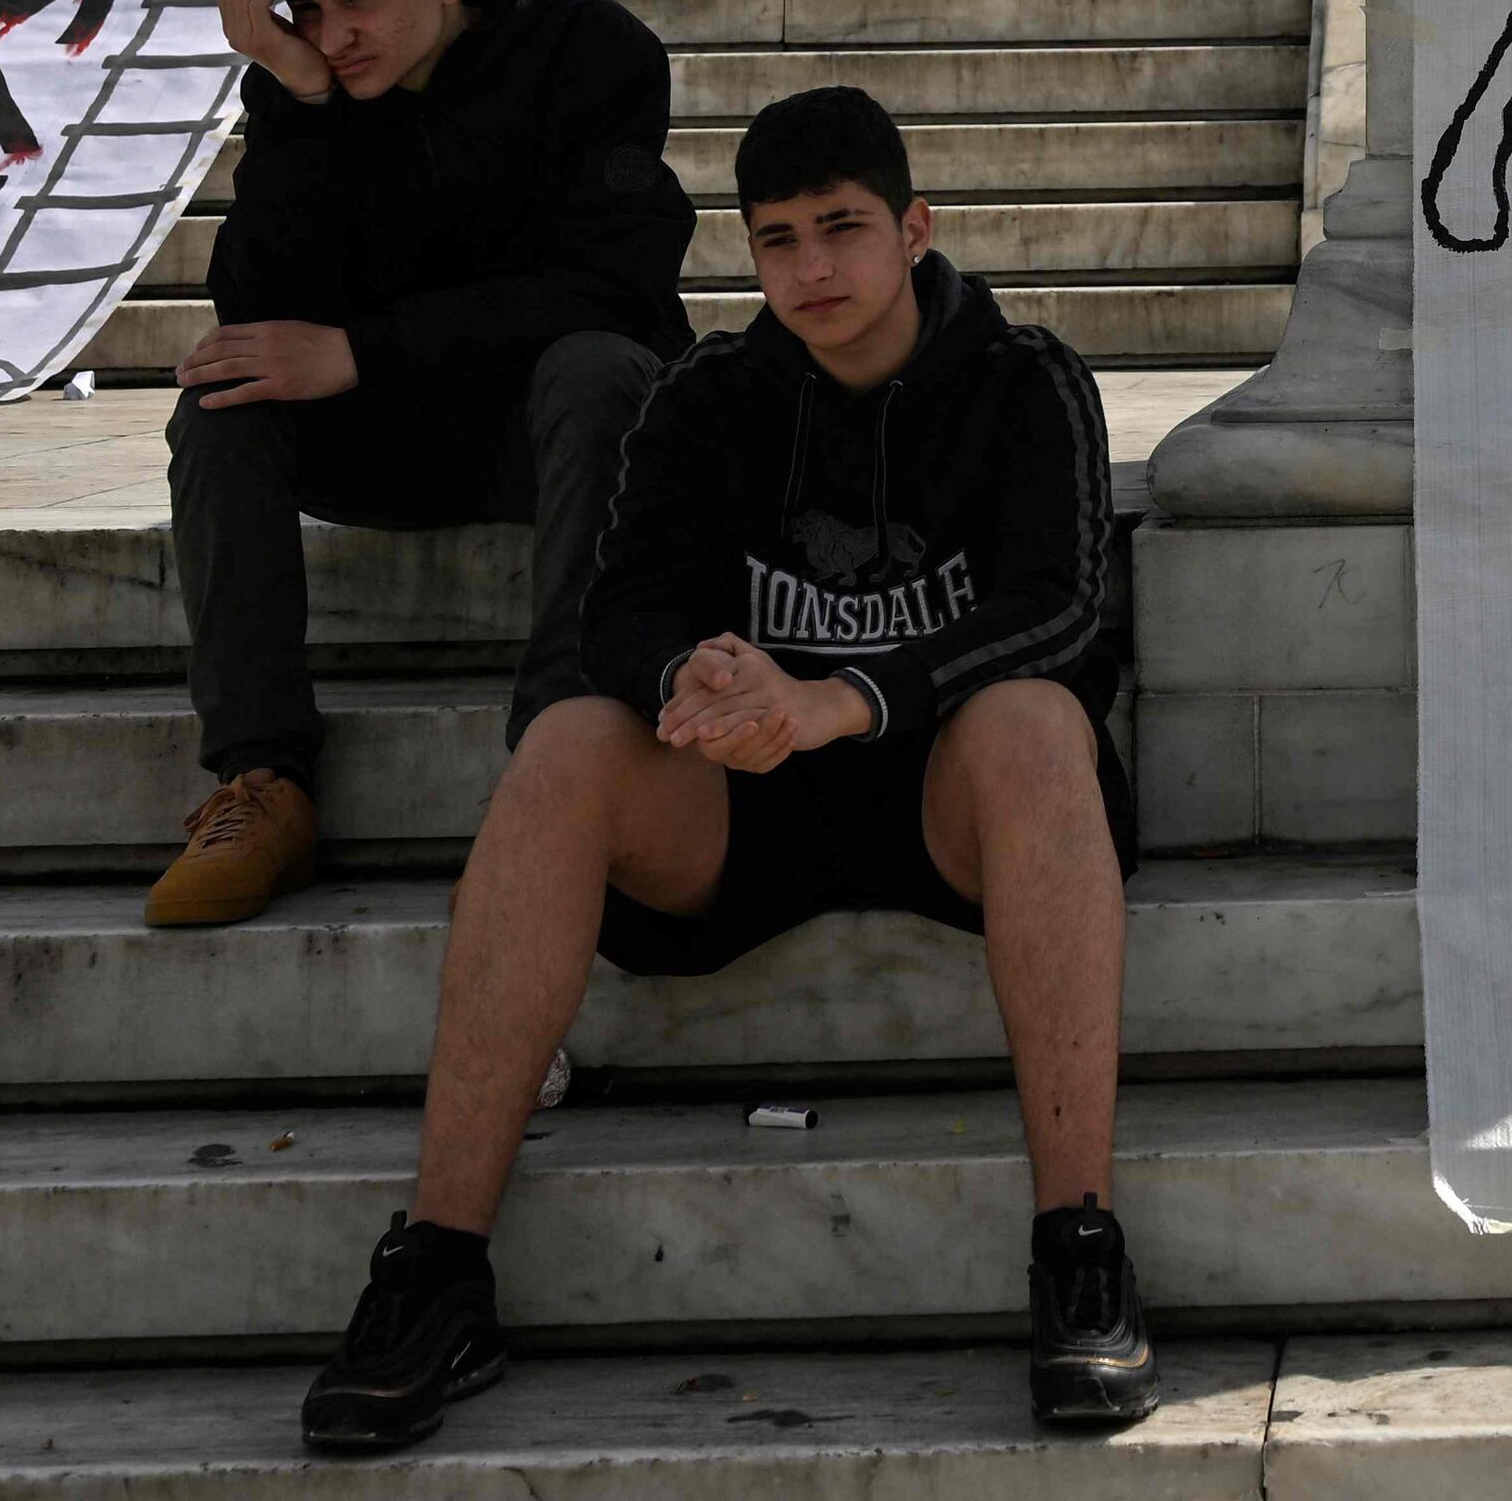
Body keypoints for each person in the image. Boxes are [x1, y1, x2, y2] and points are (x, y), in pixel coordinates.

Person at [295, 87, 1151, 1452]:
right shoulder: (711, 392)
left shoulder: (1025, 376)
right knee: (573, 737)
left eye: (842, 228)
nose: (810, 268)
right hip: (746, 806)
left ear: (916, 227)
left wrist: (841, 697)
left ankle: (1079, 1245)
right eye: (776, 239)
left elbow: (1059, 609)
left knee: (1040, 718)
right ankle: (437, 1266)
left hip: (954, 799)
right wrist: (692, 680)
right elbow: (617, 611)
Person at [151, 0, 695, 931]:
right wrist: (301, 100)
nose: (337, 32)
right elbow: (254, 303)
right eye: (306, 4)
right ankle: (263, 778)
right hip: (391, 435)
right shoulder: (313, 83)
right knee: (220, 399)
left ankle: (558, 759)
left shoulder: (595, 52)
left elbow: (616, 288)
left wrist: (367, 349)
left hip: (557, 432)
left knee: (601, 370)